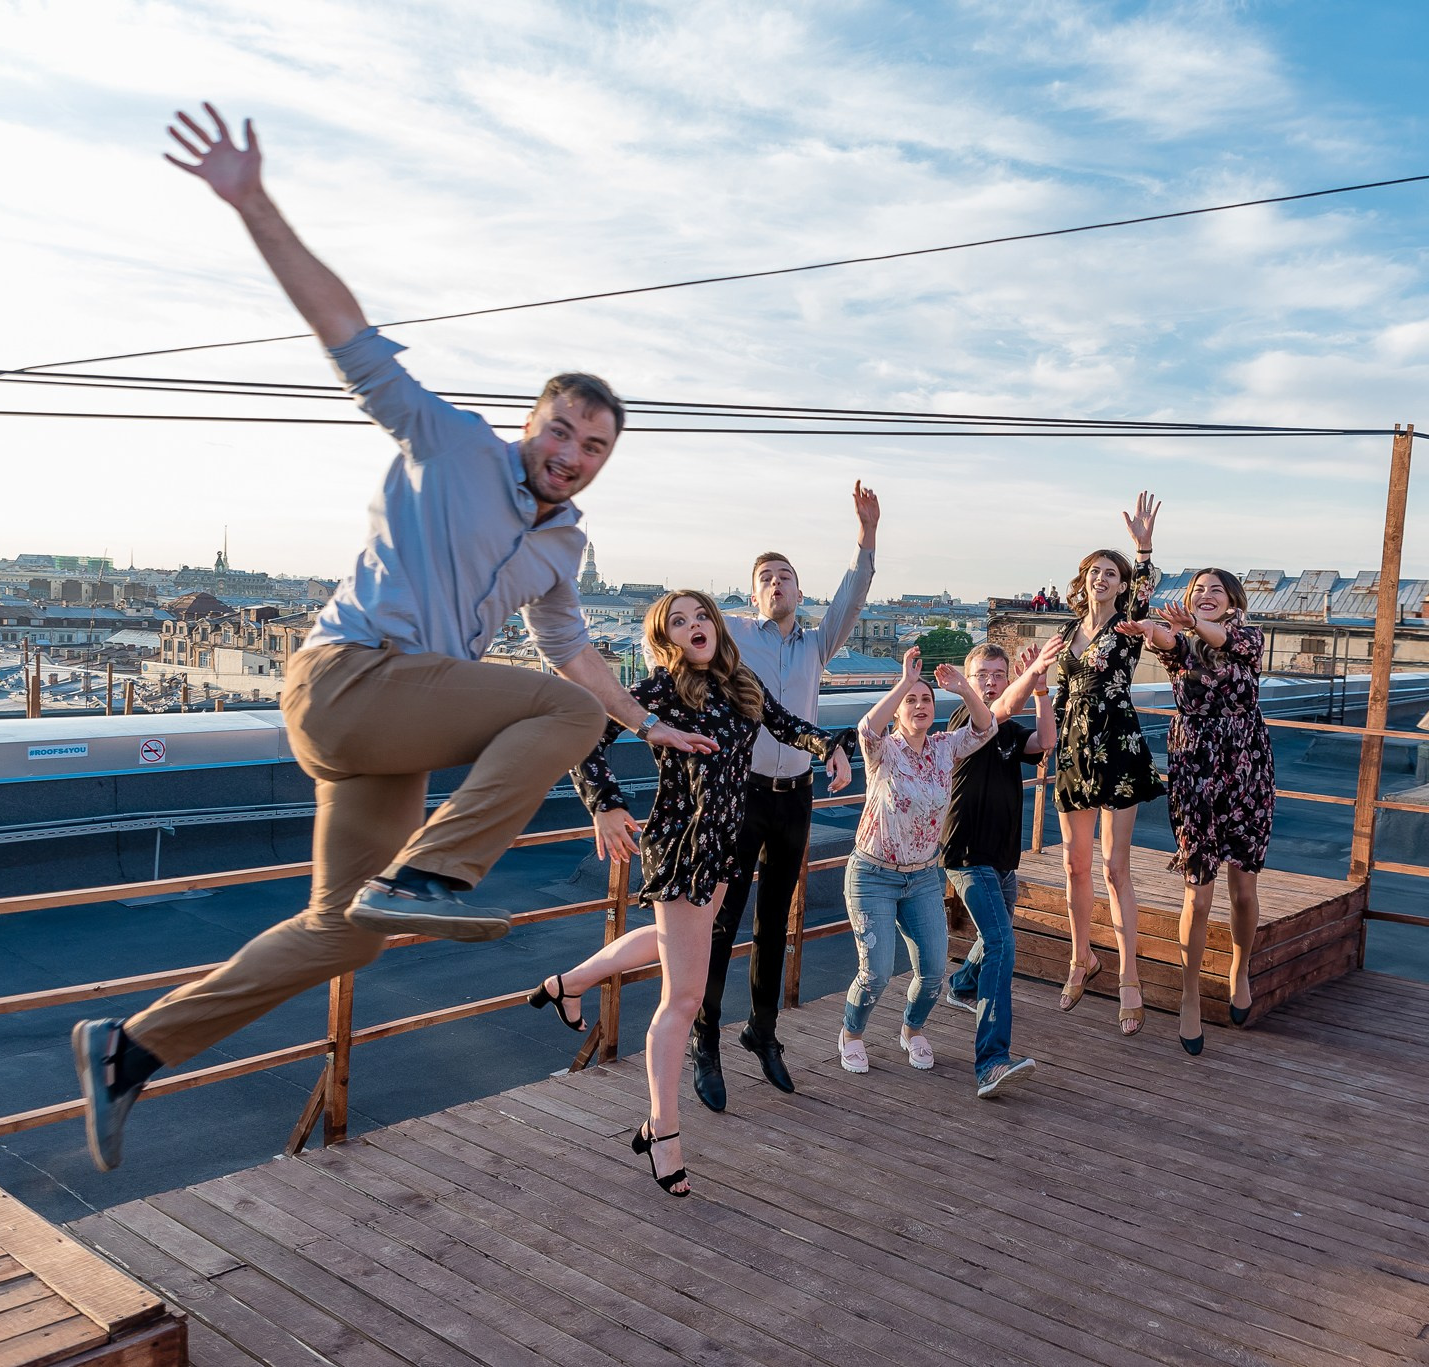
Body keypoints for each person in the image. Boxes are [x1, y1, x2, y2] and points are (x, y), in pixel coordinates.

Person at [70, 105, 711, 1173]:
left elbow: (575, 657)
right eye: (560, 429)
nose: (572, 453)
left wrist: (650, 723)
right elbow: (343, 326)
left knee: (344, 930)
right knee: (556, 718)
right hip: (347, 677)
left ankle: (130, 1048)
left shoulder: (566, 547)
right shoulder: (445, 439)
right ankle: (432, 874)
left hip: (391, 729)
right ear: (529, 421)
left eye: (593, 446)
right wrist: (251, 200)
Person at [529, 592, 851, 1195]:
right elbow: (583, 739)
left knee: (674, 943)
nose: (694, 626)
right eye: (678, 622)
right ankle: (663, 1129)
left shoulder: (741, 683)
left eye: (700, 615)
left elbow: (786, 725)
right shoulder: (656, 692)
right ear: (666, 639)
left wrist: (828, 747)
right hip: (683, 849)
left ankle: (566, 984)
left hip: (724, 850)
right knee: (683, 998)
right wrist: (606, 806)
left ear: (716, 624)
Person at [691, 492, 878, 1111]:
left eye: (786, 577)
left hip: (793, 797)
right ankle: (705, 1041)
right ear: (753, 596)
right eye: (766, 578)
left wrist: (867, 535)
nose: (777, 584)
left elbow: (852, 597)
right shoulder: (737, 638)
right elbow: (687, 630)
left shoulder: (817, 645)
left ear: (800, 592)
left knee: (774, 921)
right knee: (723, 920)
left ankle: (762, 1031)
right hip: (740, 795)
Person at [1119, 569, 1275, 1054]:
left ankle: (1240, 966)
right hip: (1194, 772)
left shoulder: (1249, 635)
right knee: (1198, 896)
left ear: (1232, 600)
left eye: (1215, 590)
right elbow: (1156, 631)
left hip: (1247, 770)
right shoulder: (1182, 646)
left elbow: (1225, 639)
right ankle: (1189, 994)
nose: (1205, 595)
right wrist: (1144, 577)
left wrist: (1193, 623)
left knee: (1244, 891)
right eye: (1197, 589)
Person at [837, 648, 996, 1075]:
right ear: (899, 710)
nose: (920, 706)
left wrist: (963, 689)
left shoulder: (946, 747)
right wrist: (904, 683)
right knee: (877, 971)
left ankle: (912, 1029)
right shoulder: (883, 749)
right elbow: (865, 727)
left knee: (932, 970)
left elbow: (986, 727)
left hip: (923, 876)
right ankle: (852, 1034)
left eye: (926, 699)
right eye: (913, 701)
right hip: (872, 874)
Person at [1050, 493, 1168, 1037]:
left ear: (1122, 585)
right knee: (1074, 866)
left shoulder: (1125, 625)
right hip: (1074, 754)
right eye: (1094, 571)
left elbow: (1147, 589)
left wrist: (1141, 547)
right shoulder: (1064, 635)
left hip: (1117, 750)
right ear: (1083, 580)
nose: (1101, 578)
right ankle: (1081, 960)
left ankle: (1129, 977)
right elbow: (1057, 696)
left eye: (1111, 573)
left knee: (1114, 868)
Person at [940, 638, 1065, 1097]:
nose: (991, 683)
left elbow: (1045, 742)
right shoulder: (963, 722)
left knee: (996, 937)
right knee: (1001, 943)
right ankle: (991, 1062)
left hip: (1003, 858)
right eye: (982, 676)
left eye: (998, 674)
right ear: (966, 683)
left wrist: (1041, 689)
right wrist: (1031, 676)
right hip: (968, 855)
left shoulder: (1007, 729)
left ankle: (961, 985)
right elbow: (992, 716)